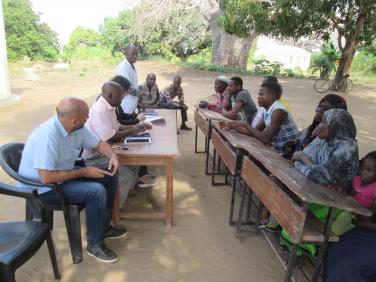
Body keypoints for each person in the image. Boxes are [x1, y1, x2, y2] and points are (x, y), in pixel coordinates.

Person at [18, 97, 127, 263]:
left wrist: (113, 156)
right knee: (96, 192)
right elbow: (46, 178)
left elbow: (98, 144)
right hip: (41, 188)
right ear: (75, 120)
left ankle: (103, 228)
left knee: (108, 178)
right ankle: (95, 245)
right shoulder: (48, 136)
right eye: (86, 116)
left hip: (61, 175)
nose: (88, 119)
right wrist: (84, 171)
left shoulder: (77, 128)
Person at [325, 151, 376, 281]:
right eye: (363, 168)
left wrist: (364, 223)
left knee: (350, 264)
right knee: (336, 246)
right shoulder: (359, 181)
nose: (364, 172)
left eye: (368, 170)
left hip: (367, 225)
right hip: (365, 226)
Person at [221, 82, 300, 154]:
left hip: (288, 152)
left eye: (262, 94)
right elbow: (255, 132)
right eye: (259, 94)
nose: (258, 97)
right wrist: (231, 126)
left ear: (273, 96)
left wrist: (245, 124)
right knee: (233, 148)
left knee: (242, 153)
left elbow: (266, 138)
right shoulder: (267, 110)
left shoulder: (278, 111)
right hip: (278, 149)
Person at [115, 44, 140, 114]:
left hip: (132, 104)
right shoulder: (123, 67)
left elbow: (134, 86)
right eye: (133, 54)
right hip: (126, 105)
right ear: (126, 53)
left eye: (136, 54)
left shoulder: (132, 65)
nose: (135, 56)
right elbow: (127, 89)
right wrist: (142, 93)